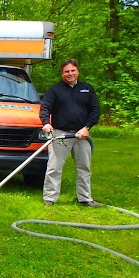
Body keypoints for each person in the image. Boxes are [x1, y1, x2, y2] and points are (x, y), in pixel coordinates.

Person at [39, 59, 101, 207]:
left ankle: (85, 198)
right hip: (60, 134)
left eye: (73, 70)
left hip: (82, 135)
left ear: (77, 71)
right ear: (62, 73)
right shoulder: (54, 90)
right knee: (54, 167)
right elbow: (45, 108)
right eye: (66, 71)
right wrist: (46, 123)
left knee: (84, 167)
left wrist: (87, 127)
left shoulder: (87, 89)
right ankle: (50, 198)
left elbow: (95, 110)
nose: (70, 74)